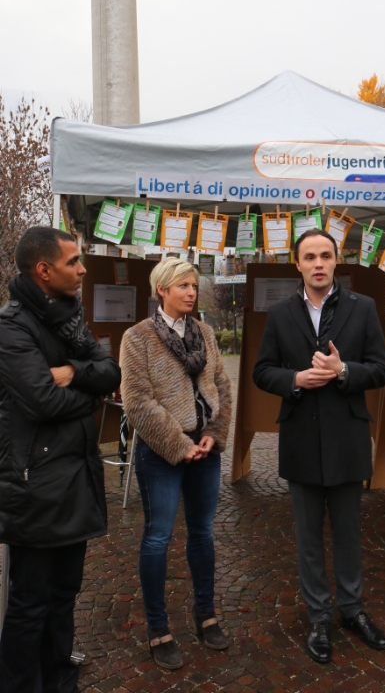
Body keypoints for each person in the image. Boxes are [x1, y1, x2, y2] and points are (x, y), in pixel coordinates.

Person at [253, 228, 385, 664]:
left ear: (336, 261)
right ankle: (318, 617)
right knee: (308, 536)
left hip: (347, 437)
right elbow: (261, 371)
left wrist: (343, 370)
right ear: (297, 264)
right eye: (310, 256)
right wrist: (295, 378)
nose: (318, 263)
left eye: (325, 256)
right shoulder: (280, 313)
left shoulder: (362, 307)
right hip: (301, 437)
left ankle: (352, 610)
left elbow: (381, 369)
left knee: (348, 532)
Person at [0, 226, 121, 692]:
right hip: (35, 488)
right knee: (30, 604)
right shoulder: (11, 327)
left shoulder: (69, 319)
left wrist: (74, 371)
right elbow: (42, 402)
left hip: (76, 480)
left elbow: (111, 371)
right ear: (43, 270)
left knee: (64, 597)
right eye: (74, 261)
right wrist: (91, 397)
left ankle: (60, 682)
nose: (83, 269)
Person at [120, 257, 232, 670]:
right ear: (162, 289)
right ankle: (158, 628)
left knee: (202, 533)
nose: (191, 292)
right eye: (183, 285)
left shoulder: (205, 333)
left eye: (194, 286)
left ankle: (206, 613)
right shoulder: (138, 337)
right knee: (158, 537)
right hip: (161, 452)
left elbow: (222, 386)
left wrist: (214, 433)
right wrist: (177, 444)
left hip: (205, 450)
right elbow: (137, 401)